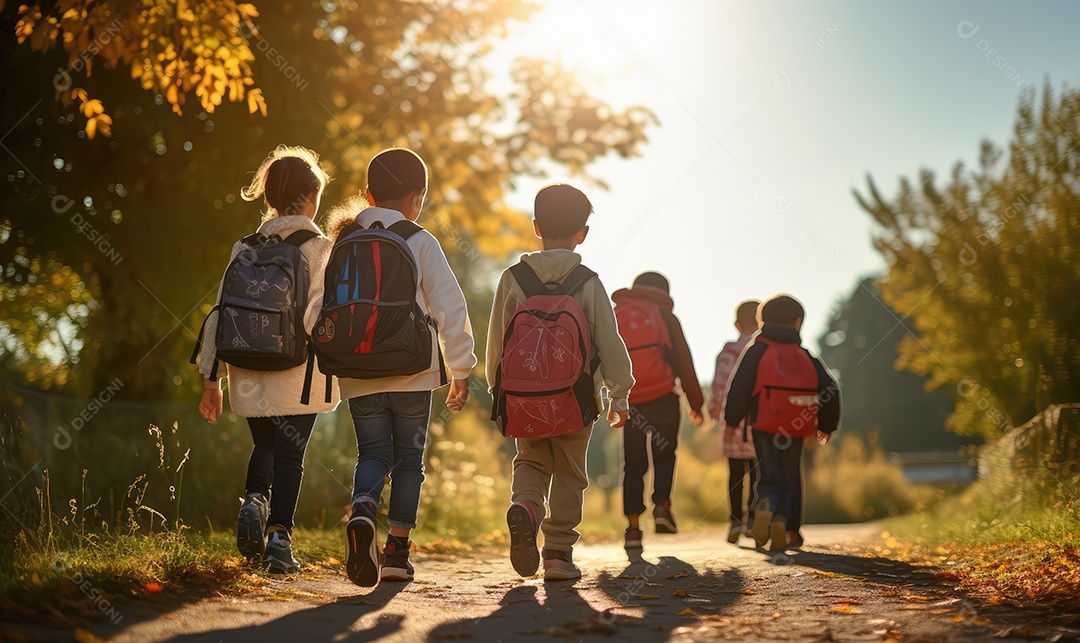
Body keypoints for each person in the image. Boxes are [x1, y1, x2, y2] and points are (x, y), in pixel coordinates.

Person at [331, 148, 476, 587]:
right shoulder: (420, 239)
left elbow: (323, 306)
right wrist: (462, 369)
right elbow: (451, 307)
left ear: (369, 193)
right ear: (419, 196)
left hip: (357, 368)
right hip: (413, 368)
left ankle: (362, 508)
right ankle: (396, 553)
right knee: (410, 459)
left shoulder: (345, 238)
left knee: (372, 453)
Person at [196, 145, 340, 574]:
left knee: (263, 444)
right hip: (298, 372)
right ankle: (279, 539)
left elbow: (220, 314)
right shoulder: (320, 247)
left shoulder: (244, 246)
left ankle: (254, 499)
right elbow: (317, 314)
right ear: (312, 197)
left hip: (247, 367)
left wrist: (211, 379)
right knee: (290, 456)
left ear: (270, 199)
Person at [487, 183, 634, 582]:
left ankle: (527, 507)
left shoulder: (512, 278)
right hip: (576, 398)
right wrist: (619, 394)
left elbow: (498, 339)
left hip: (523, 397)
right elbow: (609, 338)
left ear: (536, 227)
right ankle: (557, 554)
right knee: (570, 473)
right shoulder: (587, 281)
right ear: (582, 233)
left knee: (531, 460)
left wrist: (497, 390)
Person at [723, 294, 840, 552]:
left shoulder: (757, 349)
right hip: (798, 426)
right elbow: (831, 388)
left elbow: (739, 387)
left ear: (762, 321)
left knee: (767, 472)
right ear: (798, 323)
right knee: (791, 477)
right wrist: (826, 426)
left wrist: (732, 421)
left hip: (764, 424)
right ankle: (788, 528)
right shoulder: (805, 354)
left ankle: (765, 503)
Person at [612, 272, 704, 553]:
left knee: (633, 463)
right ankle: (662, 506)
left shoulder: (618, 313)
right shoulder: (665, 315)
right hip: (663, 395)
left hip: (630, 400)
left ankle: (632, 527)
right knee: (664, 455)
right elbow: (683, 358)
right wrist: (696, 402)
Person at [708, 299, 761, 544]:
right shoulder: (763, 349)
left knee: (735, 474)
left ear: (737, 323)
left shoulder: (728, 351)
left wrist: (714, 412)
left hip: (732, 421)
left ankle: (734, 522)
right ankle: (752, 520)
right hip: (761, 422)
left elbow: (719, 384)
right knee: (757, 472)